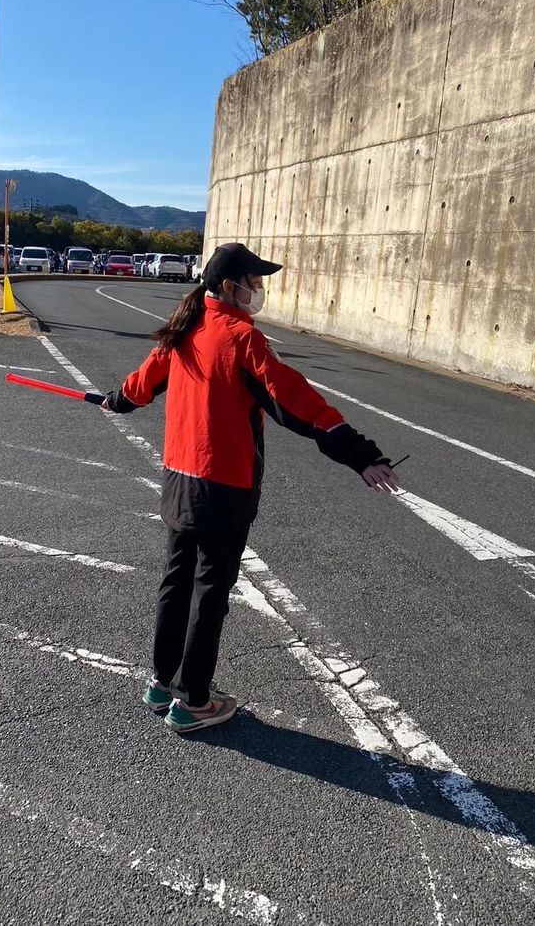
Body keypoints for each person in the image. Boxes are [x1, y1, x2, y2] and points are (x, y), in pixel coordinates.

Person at [102, 242, 400, 734]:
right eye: (254, 282)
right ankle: (194, 702)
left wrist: (116, 400)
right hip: (222, 487)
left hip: (178, 481)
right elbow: (299, 402)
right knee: (209, 593)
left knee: (177, 583)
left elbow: (141, 384)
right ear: (229, 286)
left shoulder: (184, 328)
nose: (258, 290)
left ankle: (163, 683)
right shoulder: (241, 338)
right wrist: (361, 454)